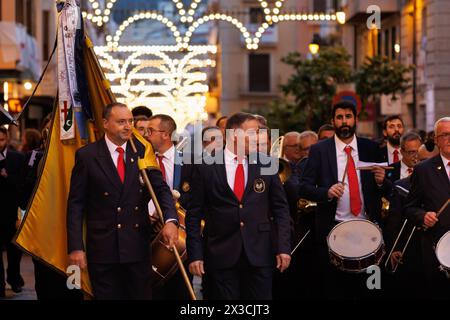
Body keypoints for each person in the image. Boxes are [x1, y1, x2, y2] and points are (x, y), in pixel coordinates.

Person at [66, 103, 178, 300]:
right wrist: (76, 247)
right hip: (103, 248)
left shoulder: (142, 150)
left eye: (130, 121)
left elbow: (161, 189)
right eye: (121, 122)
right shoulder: (88, 156)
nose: (128, 126)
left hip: (136, 246)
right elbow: (76, 205)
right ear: (105, 123)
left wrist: (170, 220)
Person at [186, 112, 291, 300]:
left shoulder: (267, 163)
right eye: (253, 132)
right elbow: (193, 215)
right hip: (220, 254)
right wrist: (195, 254)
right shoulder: (205, 166)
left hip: (260, 253)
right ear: (235, 135)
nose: (258, 137)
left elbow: (281, 209)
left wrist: (283, 248)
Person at [299, 101, 391, 299]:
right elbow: (303, 187)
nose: (344, 122)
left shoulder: (371, 148)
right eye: (339, 117)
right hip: (333, 230)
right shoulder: (320, 150)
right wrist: (326, 192)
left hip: (368, 230)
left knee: (370, 288)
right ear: (333, 121)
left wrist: (382, 182)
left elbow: (388, 189)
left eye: (348, 117)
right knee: (335, 289)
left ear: (355, 119)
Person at [146, 114, 195, 299]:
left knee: (180, 292)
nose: (145, 135)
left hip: (181, 239)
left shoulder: (191, 163)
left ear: (165, 134)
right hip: (147, 234)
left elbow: (197, 201)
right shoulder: (141, 162)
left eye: (150, 131)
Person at [404, 117, 450, 299]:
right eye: (444, 135)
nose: (449, 139)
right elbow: (409, 207)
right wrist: (422, 216)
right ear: (436, 140)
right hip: (437, 250)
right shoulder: (423, 170)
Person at [0, 127, 25, 297]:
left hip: (11, 212)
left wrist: (7, 176)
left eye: (1, 139)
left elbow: (23, 184)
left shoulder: (17, 158)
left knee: (14, 251)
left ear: (7, 139)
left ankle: (14, 279)